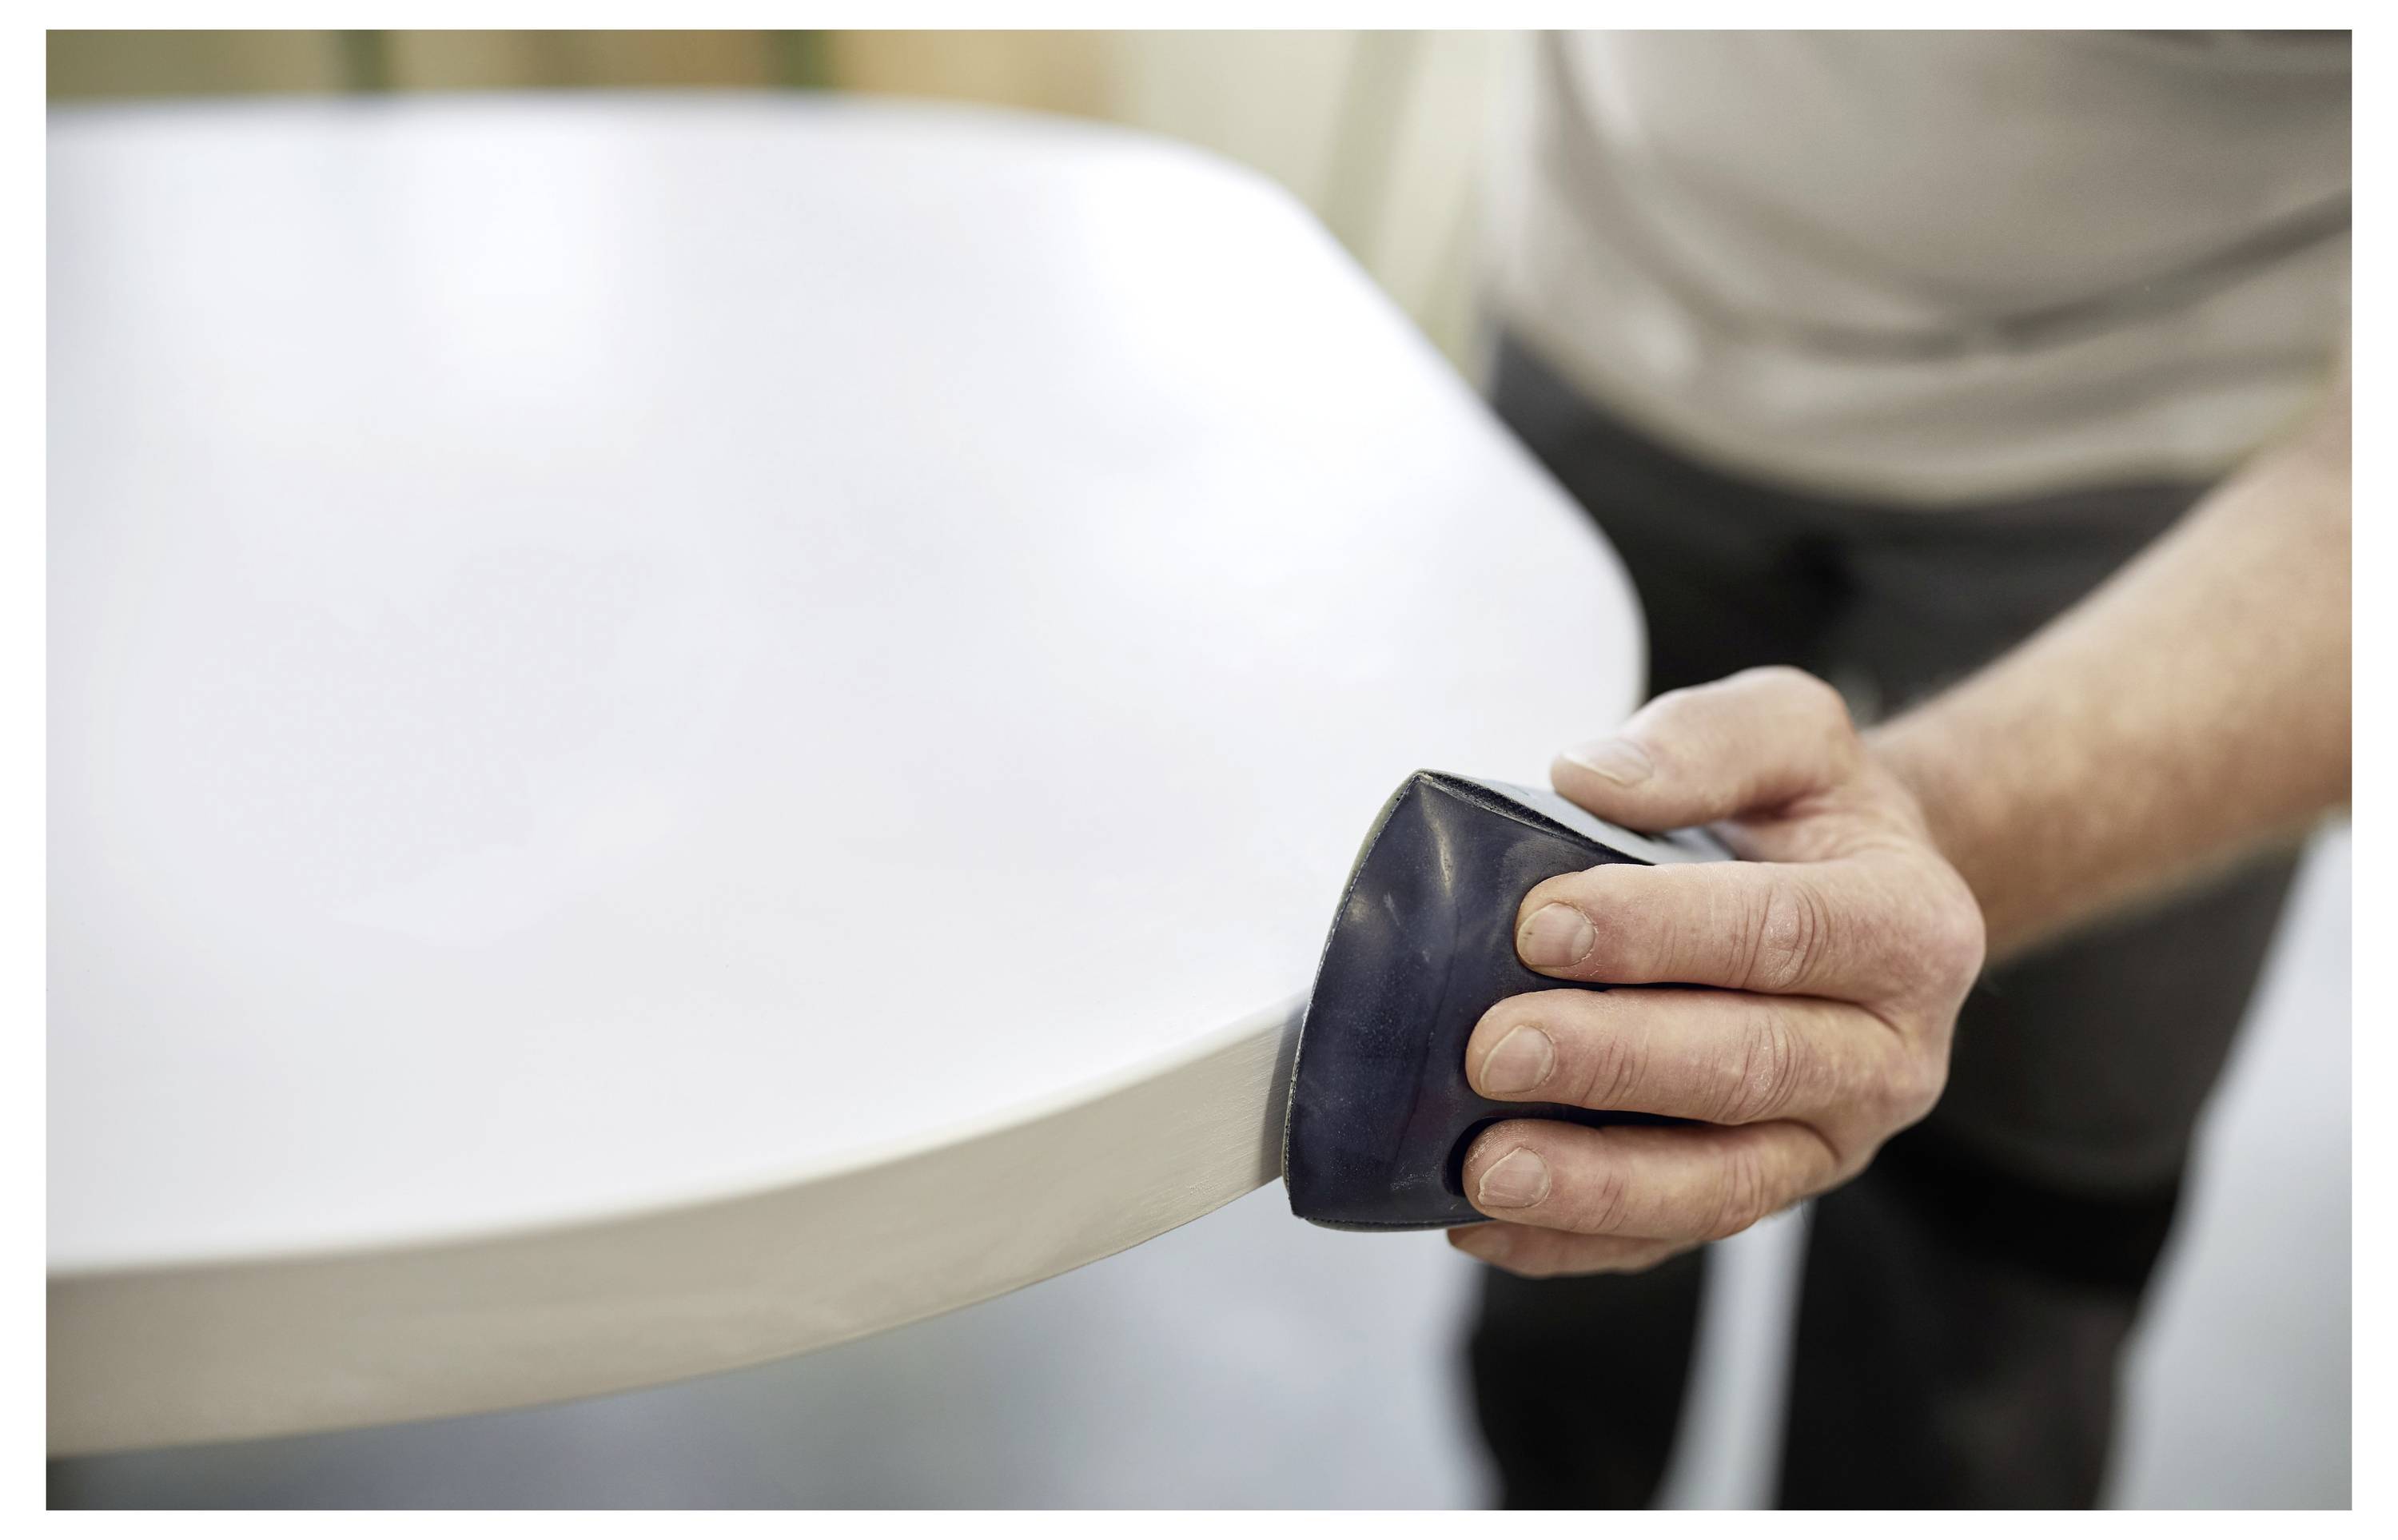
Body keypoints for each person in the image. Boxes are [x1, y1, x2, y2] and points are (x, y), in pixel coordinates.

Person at [1456, 32, 2350, 1509]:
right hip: (1606, 300)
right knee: (1557, 1124)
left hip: (2193, 466)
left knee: (1990, 1293)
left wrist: (1941, 825)